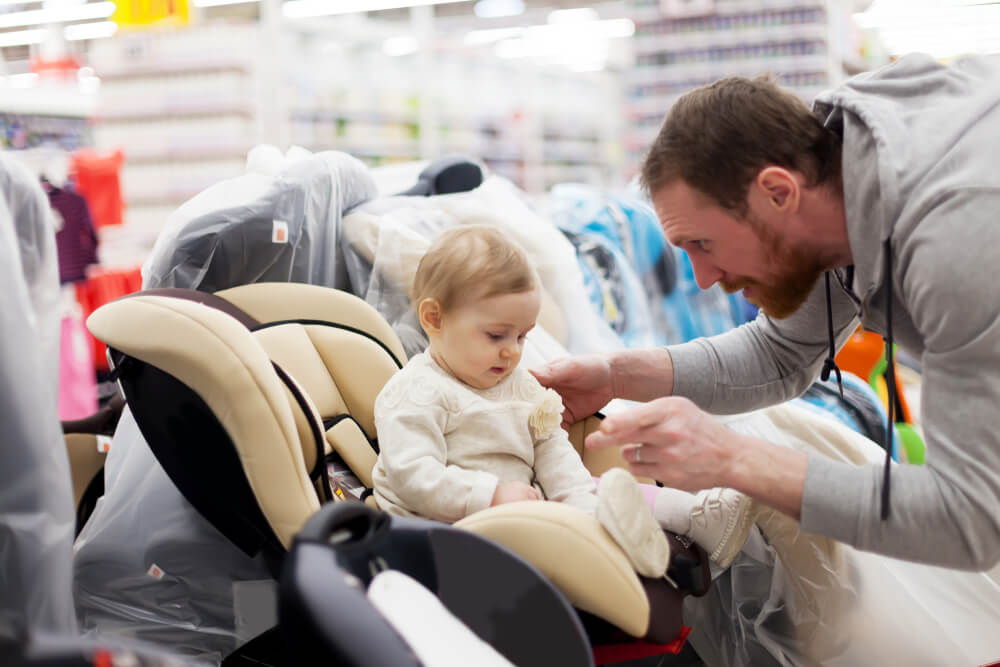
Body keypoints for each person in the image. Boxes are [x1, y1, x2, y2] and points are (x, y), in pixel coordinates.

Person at [533, 53, 1000, 571]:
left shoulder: (959, 239)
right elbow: (780, 352)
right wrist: (613, 374)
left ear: (778, 192)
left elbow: (971, 519)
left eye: (703, 243)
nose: (703, 278)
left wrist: (734, 459)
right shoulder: (843, 165)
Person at [372, 224, 755, 572]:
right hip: (440, 531)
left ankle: (695, 516)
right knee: (576, 516)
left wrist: (579, 502)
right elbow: (414, 477)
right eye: (496, 336)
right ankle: (617, 543)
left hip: (523, 513)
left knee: (596, 488)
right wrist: (490, 495)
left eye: (523, 336)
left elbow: (553, 452)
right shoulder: (416, 392)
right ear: (434, 319)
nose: (513, 352)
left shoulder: (521, 388)